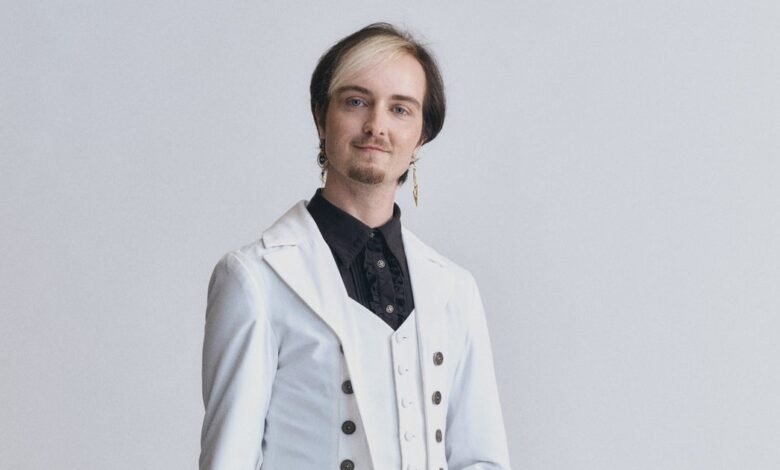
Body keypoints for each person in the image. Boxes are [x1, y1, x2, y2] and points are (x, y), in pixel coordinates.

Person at [199, 22, 511, 470]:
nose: (376, 126)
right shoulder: (254, 279)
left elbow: (482, 459)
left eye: (400, 109)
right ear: (321, 116)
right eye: (356, 101)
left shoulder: (455, 289)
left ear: (421, 134)